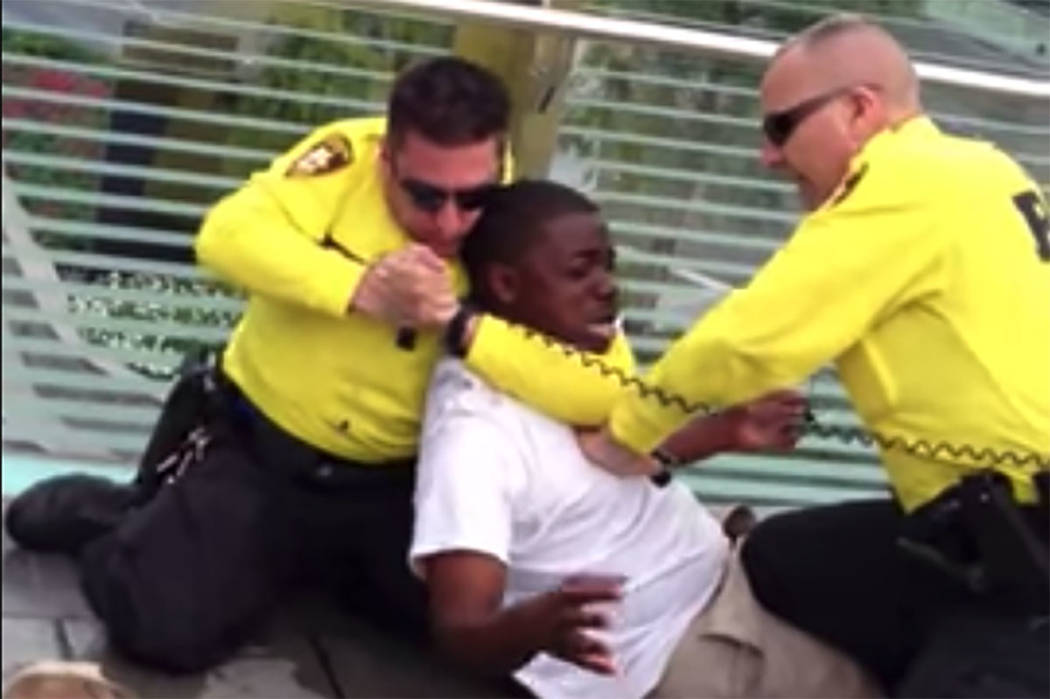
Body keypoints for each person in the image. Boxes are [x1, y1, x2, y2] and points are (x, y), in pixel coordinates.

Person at [4, 57, 636, 673]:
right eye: (424, 195)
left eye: (470, 198)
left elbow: (605, 386)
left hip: (394, 481)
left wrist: (461, 326)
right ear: (388, 159)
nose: (448, 222)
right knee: (162, 631)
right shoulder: (343, 160)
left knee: (469, 639)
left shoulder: (517, 221)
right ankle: (113, 519)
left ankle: (286, 566)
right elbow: (226, 236)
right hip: (266, 452)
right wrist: (362, 289)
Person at [576, 14, 1050, 696]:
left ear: (860, 109)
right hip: (973, 520)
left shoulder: (903, 182)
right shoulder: (980, 166)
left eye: (780, 128)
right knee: (780, 560)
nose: (768, 156)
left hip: (1027, 557)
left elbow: (750, 339)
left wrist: (625, 437)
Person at [410, 180, 879, 699]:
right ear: (505, 284)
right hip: (685, 649)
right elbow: (460, 630)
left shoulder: (577, 343)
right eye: (580, 270)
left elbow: (603, 457)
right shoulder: (474, 438)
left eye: (608, 265)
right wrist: (535, 627)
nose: (606, 286)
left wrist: (728, 430)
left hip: (724, 563)